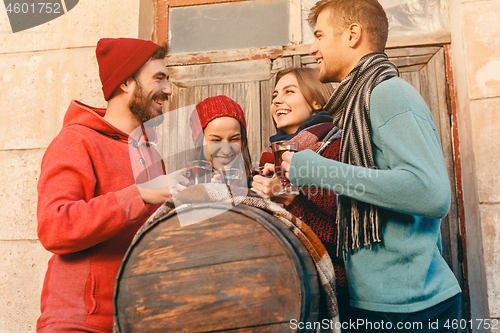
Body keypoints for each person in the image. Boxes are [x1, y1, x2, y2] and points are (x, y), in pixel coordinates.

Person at [281, 0, 461, 331]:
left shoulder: (389, 94)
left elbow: (431, 193)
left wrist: (314, 169)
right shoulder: (354, 109)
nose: (312, 47)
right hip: (376, 303)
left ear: (352, 34)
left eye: (319, 35)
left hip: (413, 311)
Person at [36, 38, 187, 332]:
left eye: (167, 80)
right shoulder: (76, 140)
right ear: (126, 82)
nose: (168, 90)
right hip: (82, 324)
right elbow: (54, 227)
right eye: (159, 78)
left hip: (141, 320)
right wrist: (140, 194)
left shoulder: (151, 152)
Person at [251, 67, 354, 322]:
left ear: (316, 101)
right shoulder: (271, 155)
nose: (276, 100)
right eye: (275, 95)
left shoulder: (335, 147)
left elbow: (344, 233)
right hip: (284, 284)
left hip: (329, 288)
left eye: (289, 91)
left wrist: (290, 199)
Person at [189, 95, 253, 186]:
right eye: (216, 140)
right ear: (199, 143)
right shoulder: (182, 189)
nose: (226, 151)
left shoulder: (260, 185)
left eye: (234, 139)